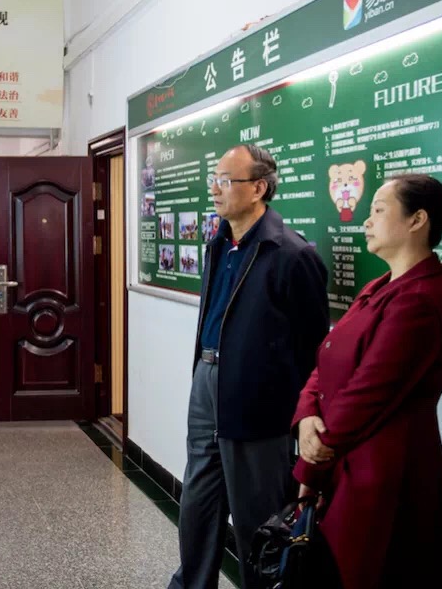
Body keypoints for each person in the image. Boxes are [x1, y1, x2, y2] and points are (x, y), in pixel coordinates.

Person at [294, 173, 442, 589]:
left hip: (384, 481)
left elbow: (365, 396)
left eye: (378, 210)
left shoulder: (419, 301)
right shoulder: (380, 286)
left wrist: (311, 466)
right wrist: (306, 416)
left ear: (417, 220)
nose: (367, 220)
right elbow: (327, 359)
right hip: (344, 465)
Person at [168, 144, 330, 589]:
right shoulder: (219, 243)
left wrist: (298, 413)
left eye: (225, 180)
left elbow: (313, 349)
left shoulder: (291, 254)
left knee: (257, 514)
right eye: (214, 179)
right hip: (207, 382)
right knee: (198, 499)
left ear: (258, 188)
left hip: (258, 397)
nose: (214, 189)